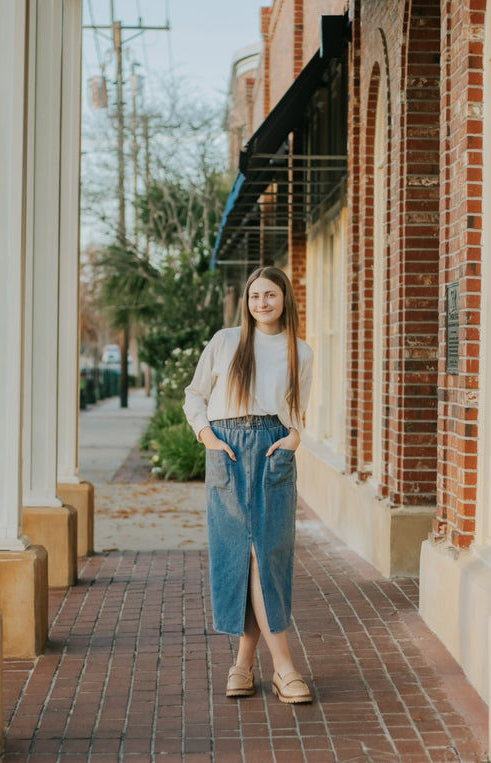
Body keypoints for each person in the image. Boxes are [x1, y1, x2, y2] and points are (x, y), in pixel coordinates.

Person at [183, 266, 314, 704]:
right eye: (255, 295)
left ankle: (246, 664)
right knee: (242, 555)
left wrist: (293, 439)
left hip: (273, 450)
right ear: (247, 301)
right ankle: (282, 668)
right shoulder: (225, 341)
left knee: (266, 556)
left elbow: (299, 412)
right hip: (228, 450)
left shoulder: (301, 351)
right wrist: (208, 437)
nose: (262, 303)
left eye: (271, 295)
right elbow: (194, 394)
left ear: (284, 299)